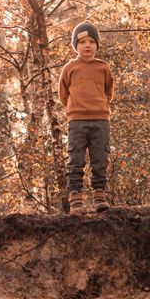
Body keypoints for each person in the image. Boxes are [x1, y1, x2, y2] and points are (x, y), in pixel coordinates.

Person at [58, 21, 114, 215]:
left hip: (100, 121)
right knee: (75, 161)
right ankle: (76, 202)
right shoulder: (69, 68)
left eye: (91, 41)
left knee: (100, 160)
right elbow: (63, 94)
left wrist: (99, 106)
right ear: (76, 46)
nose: (87, 45)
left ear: (97, 44)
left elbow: (109, 91)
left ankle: (99, 198)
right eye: (82, 42)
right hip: (77, 122)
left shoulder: (103, 67)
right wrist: (76, 109)